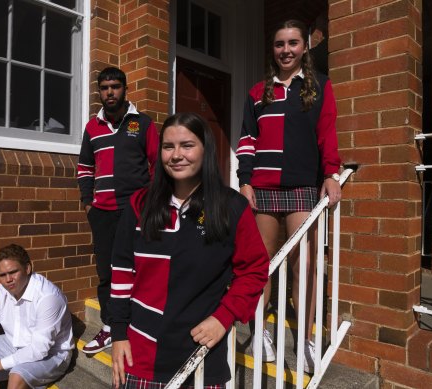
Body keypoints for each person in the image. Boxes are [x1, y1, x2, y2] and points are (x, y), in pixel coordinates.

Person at [109, 112, 269, 388]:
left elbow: (254, 270)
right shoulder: (139, 204)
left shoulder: (231, 207)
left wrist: (224, 316)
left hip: (200, 358)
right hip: (140, 357)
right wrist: (119, 334)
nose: (176, 155)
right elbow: (122, 272)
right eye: (168, 147)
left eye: (187, 145)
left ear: (205, 149)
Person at [235, 19, 341, 373]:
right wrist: (244, 181)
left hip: (299, 187)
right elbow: (247, 139)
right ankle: (260, 329)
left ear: (304, 47)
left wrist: (330, 174)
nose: (286, 50)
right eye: (280, 44)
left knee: (304, 265)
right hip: (262, 188)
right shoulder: (256, 92)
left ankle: (308, 339)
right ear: (273, 48)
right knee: (261, 264)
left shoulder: (320, 86)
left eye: (293, 43)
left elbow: (327, 133)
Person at [77, 66, 159, 354]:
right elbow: (85, 168)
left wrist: (150, 204)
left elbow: (157, 167)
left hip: (135, 211)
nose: (109, 92)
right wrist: (88, 203)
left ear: (125, 89)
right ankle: (111, 327)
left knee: (138, 266)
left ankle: (139, 322)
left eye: (115, 87)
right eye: (104, 88)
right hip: (102, 213)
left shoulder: (143, 124)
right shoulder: (92, 127)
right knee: (106, 272)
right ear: (99, 91)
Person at [0, 244, 74, 389]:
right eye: (2, 275)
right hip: (15, 343)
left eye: (13, 272)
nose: (8, 279)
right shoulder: (3, 290)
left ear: (27, 268)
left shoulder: (48, 297)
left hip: (52, 354)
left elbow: (39, 349)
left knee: (17, 376)